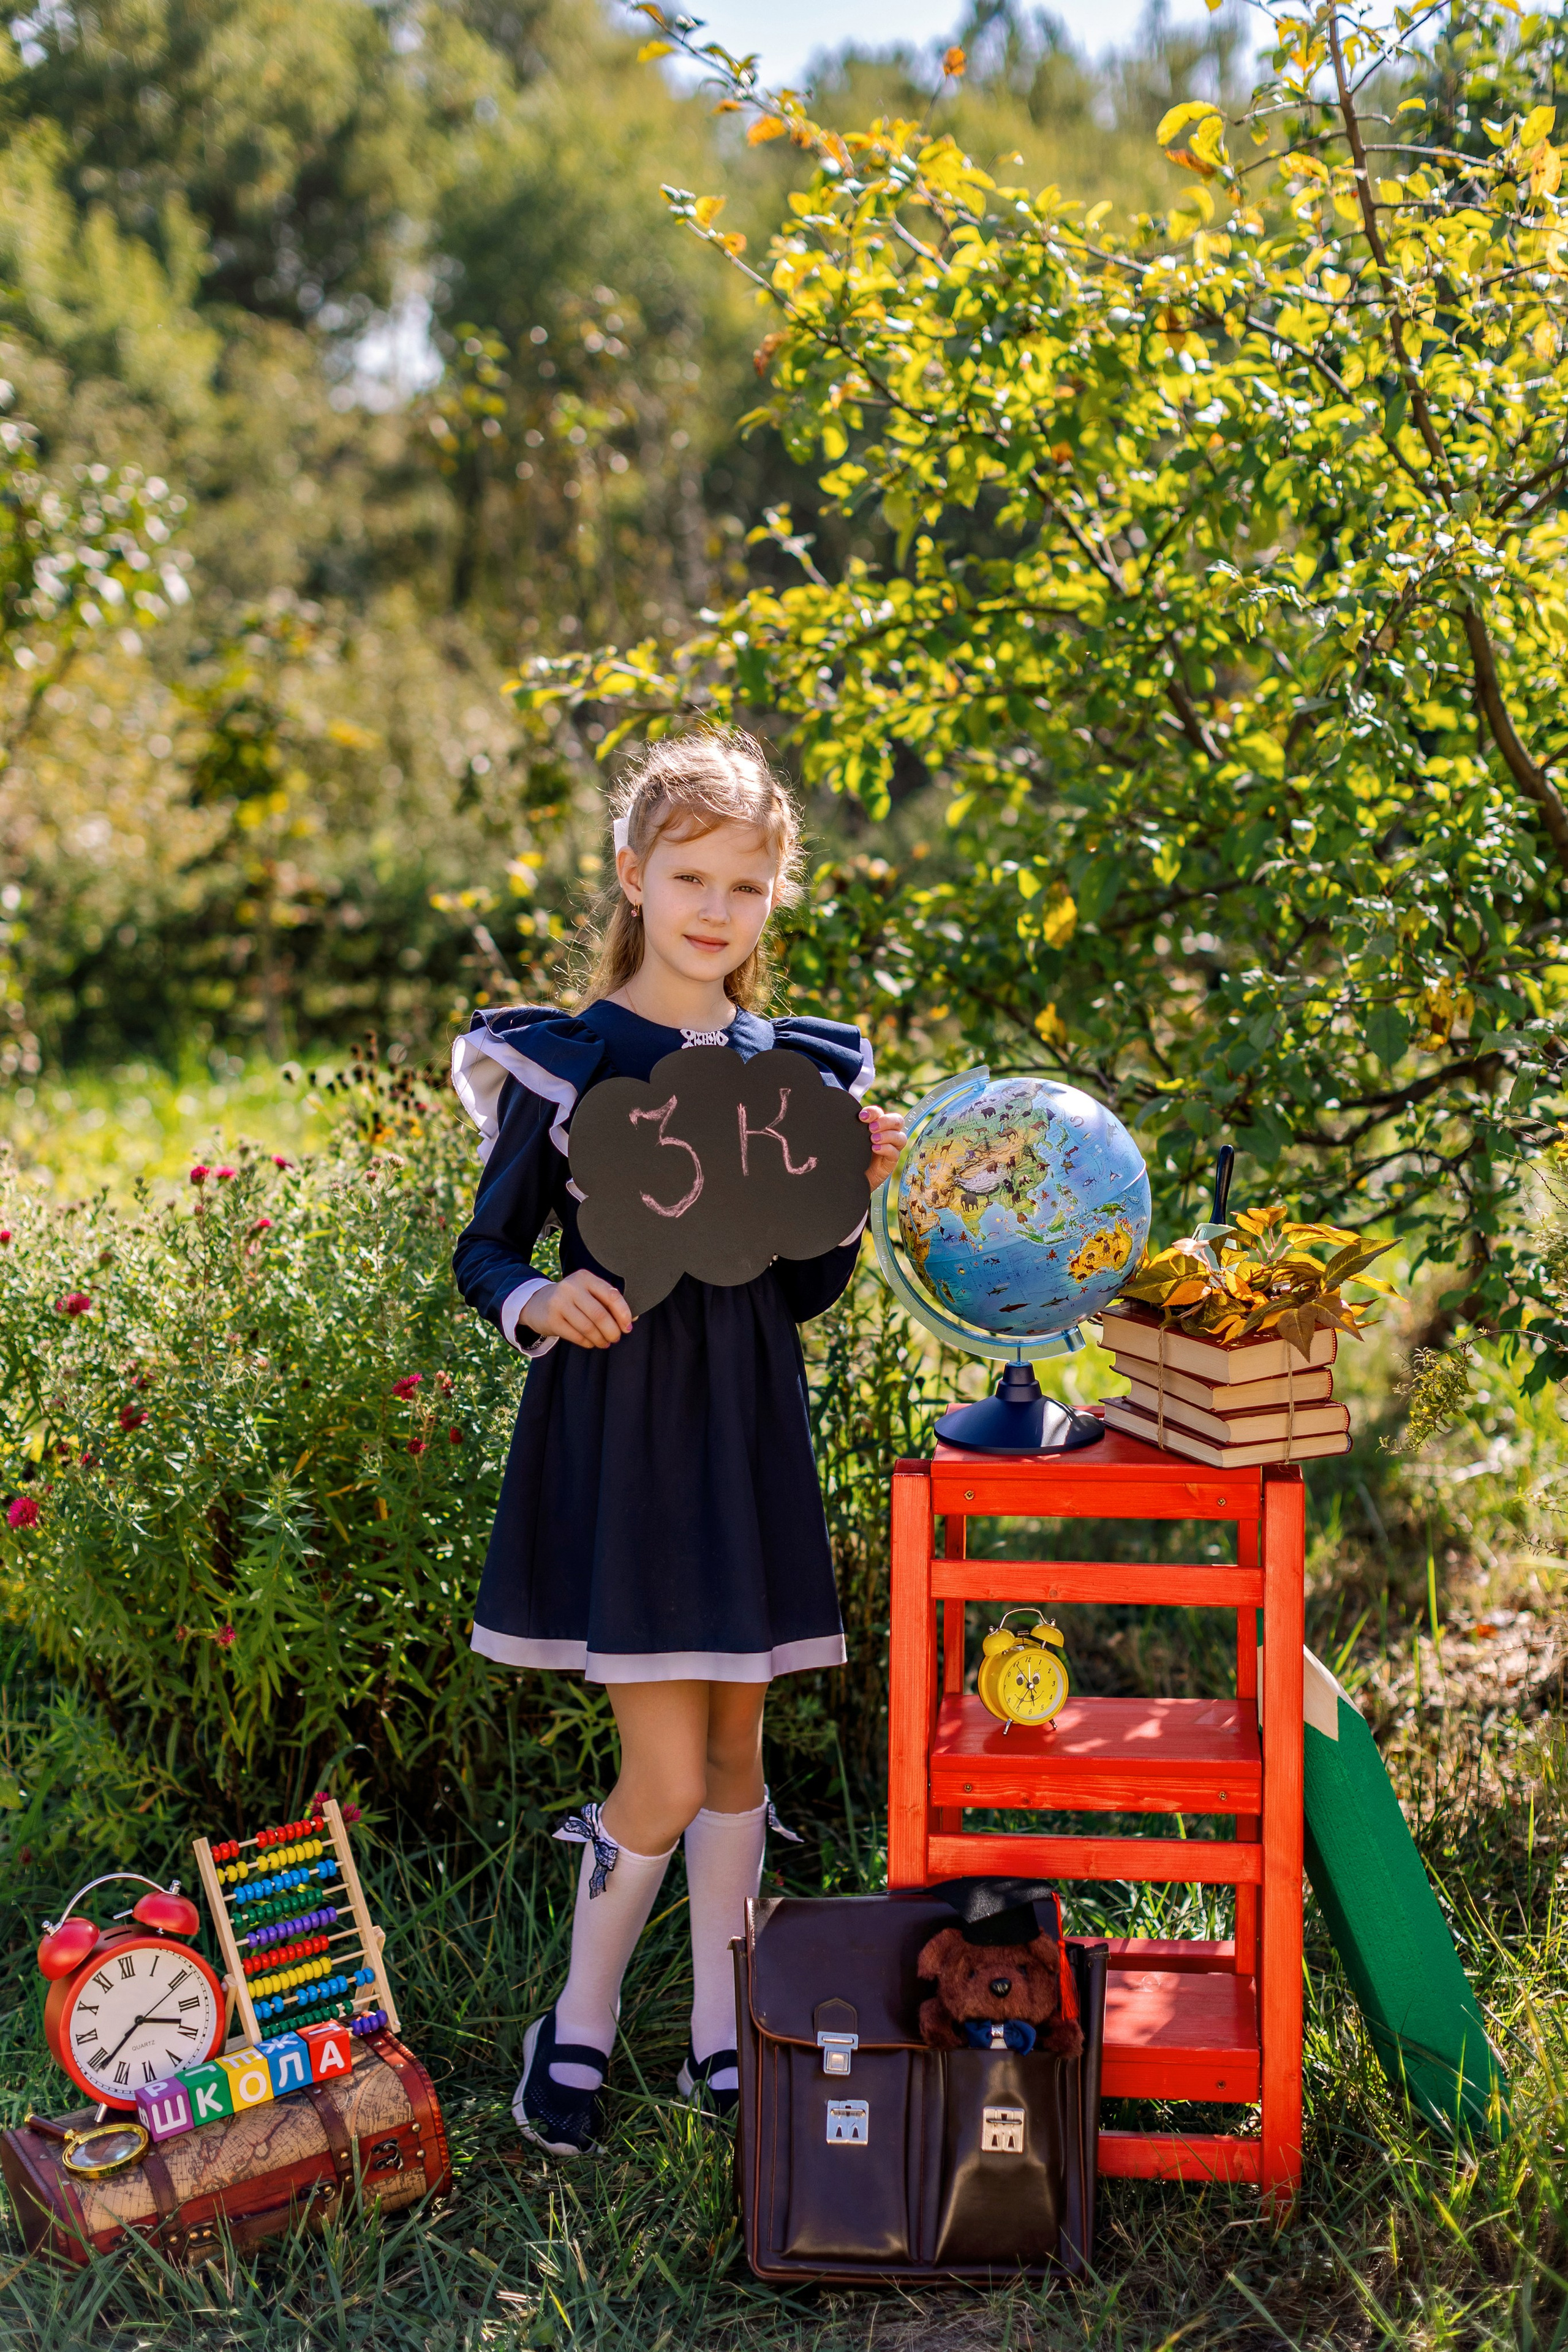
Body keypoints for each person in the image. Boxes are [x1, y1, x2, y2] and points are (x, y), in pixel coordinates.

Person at [450, 731, 907, 2158]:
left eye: (750, 884)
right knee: (656, 1772)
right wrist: (540, 1294)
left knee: (732, 1755)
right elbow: (483, 1249)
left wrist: (851, 1193)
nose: (717, 909)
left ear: (779, 896)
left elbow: (795, 1292)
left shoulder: (795, 1071)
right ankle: (574, 2025)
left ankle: (727, 2026)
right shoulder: (562, 1062)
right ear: (632, 874)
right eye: (691, 875)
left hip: (746, 1433)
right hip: (624, 1438)